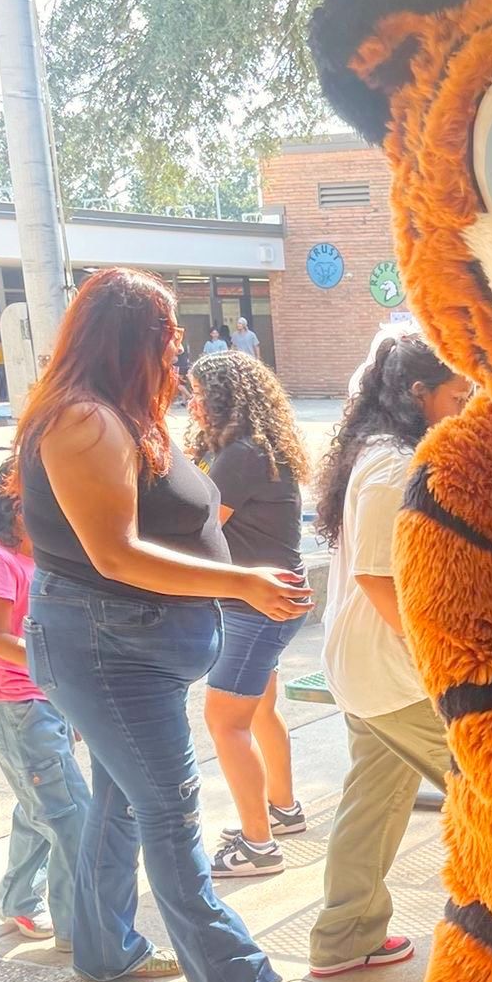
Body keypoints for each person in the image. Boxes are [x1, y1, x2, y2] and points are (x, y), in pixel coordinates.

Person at [15, 265, 313, 982]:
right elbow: (113, 555)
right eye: (169, 332)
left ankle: (104, 948)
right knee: (168, 807)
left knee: (120, 799)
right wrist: (240, 581)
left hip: (130, 645)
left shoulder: (122, 414)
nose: (181, 347)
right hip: (106, 647)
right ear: (132, 338)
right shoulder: (85, 421)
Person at [308, 330, 473, 978]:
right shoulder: (389, 467)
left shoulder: (378, 450)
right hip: (395, 676)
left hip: (363, 671)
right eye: (458, 395)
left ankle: (345, 936)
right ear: (418, 394)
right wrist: (444, 659)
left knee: (373, 801)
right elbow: (381, 580)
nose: (466, 405)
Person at [185, 351, 311, 878]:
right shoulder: (257, 450)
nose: (189, 403)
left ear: (220, 399)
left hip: (256, 606)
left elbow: (201, 530)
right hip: (276, 600)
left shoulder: (240, 456)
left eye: (195, 392)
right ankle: (282, 810)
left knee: (224, 721)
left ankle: (258, 846)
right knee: (259, 709)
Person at [0, 466, 91, 948]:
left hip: (48, 700)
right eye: (32, 502)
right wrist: (53, 664)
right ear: (9, 506)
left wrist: (69, 698)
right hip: (19, 708)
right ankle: (78, 931)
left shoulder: (44, 558)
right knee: (72, 817)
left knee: (38, 808)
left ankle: (17, 900)